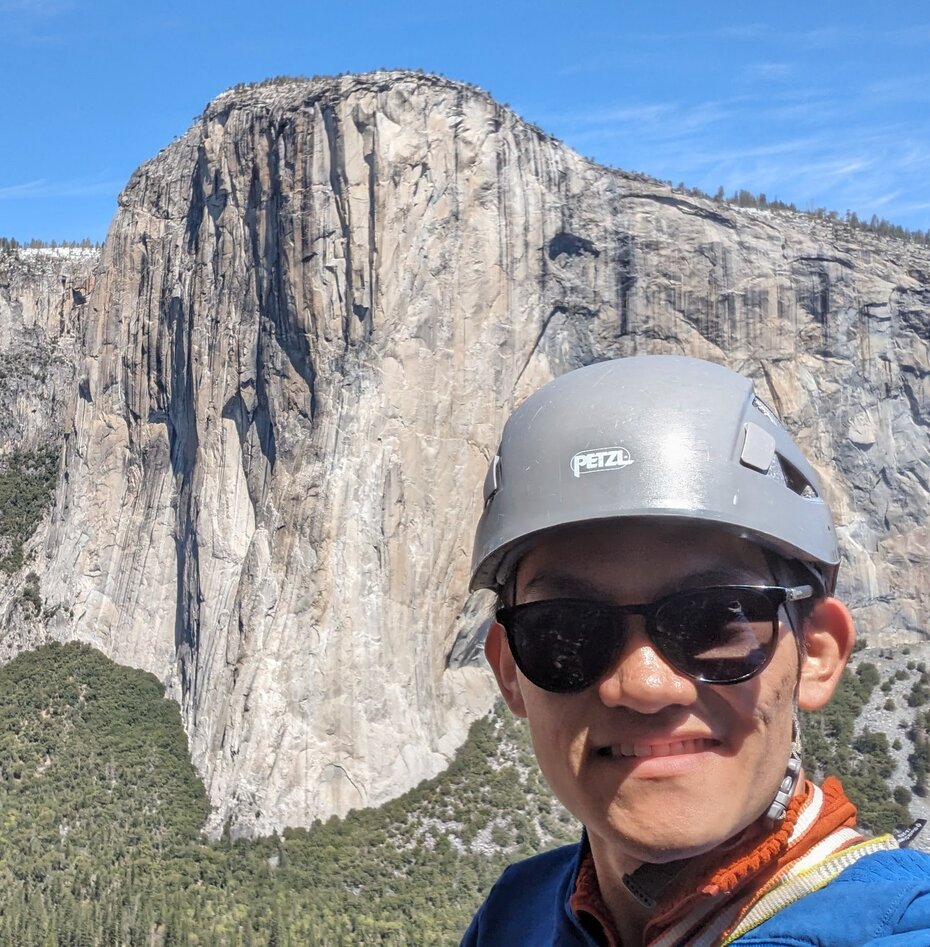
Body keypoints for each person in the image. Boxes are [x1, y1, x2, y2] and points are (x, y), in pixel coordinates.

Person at [461, 355, 930, 946]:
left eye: (716, 619)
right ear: (509, 671)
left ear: (815, 652)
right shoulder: (516, 914)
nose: (643, 684)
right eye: (568, 630)